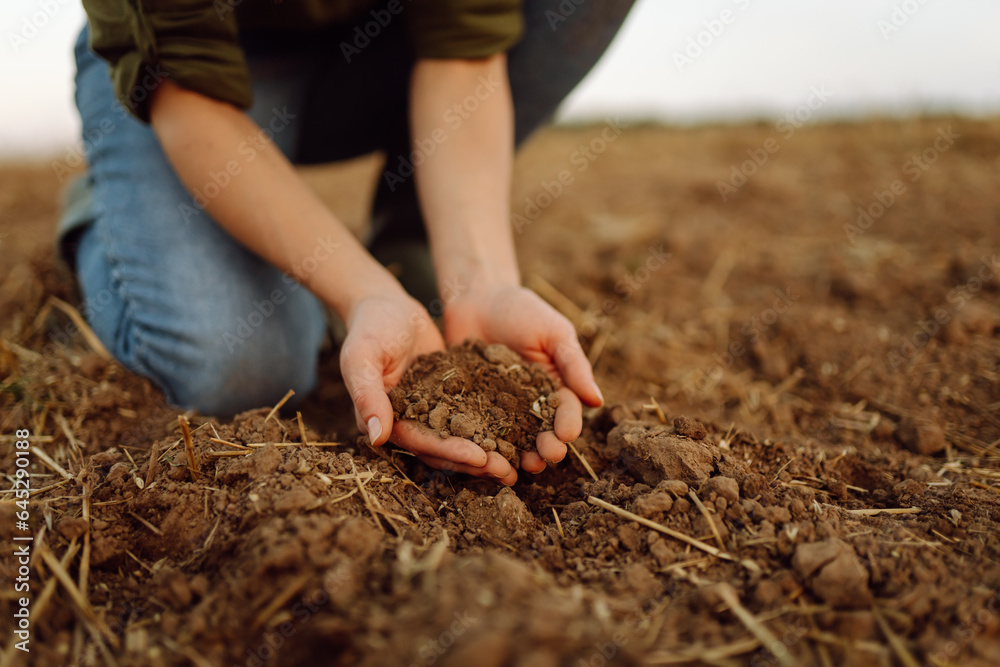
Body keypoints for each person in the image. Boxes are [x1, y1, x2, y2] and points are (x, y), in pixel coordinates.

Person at [62, 0, 635, 485]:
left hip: (385, 35)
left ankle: (409, 235)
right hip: (202, 75)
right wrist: (361, 292)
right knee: (240, 367)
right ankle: (112, 212)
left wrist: (484, 284)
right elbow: (191, 96)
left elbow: (462, 50)